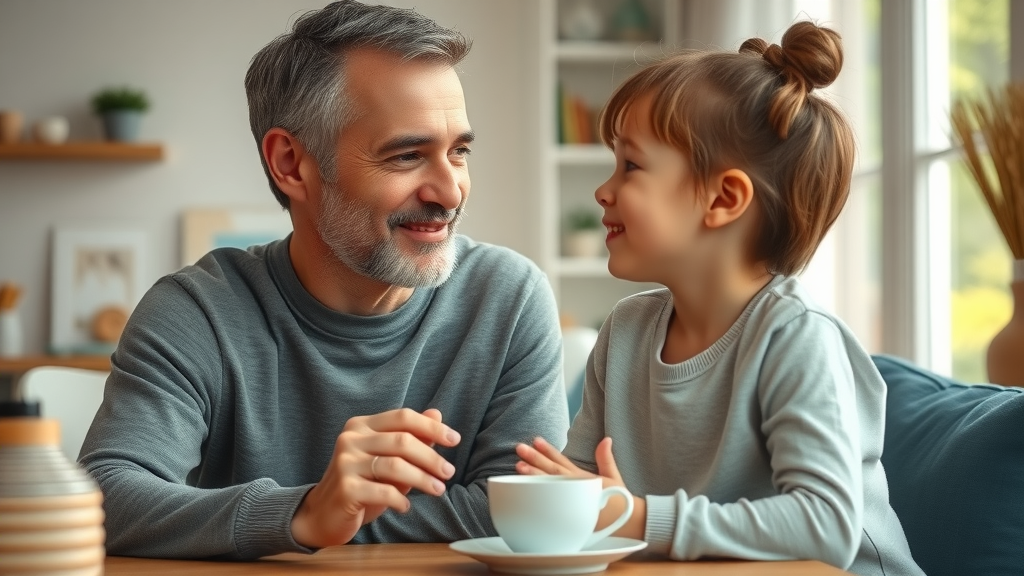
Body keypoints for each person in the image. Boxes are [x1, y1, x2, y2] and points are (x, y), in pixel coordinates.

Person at [79, 0, 568, 560]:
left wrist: (333, 520)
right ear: (291, 164)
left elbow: (527, 508)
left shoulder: (507, 298)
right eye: (407, 156)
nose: (451, 192)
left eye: (458, 152)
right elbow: (104, 498)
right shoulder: (197, 312)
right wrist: (306, 512)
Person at [514, 21, 924, 576]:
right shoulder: (626, 330)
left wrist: (636, 518)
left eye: (631, 165)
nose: (603, 191)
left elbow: (825, 526)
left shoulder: (795, 337)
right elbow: (587, 490)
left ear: (724, 198)